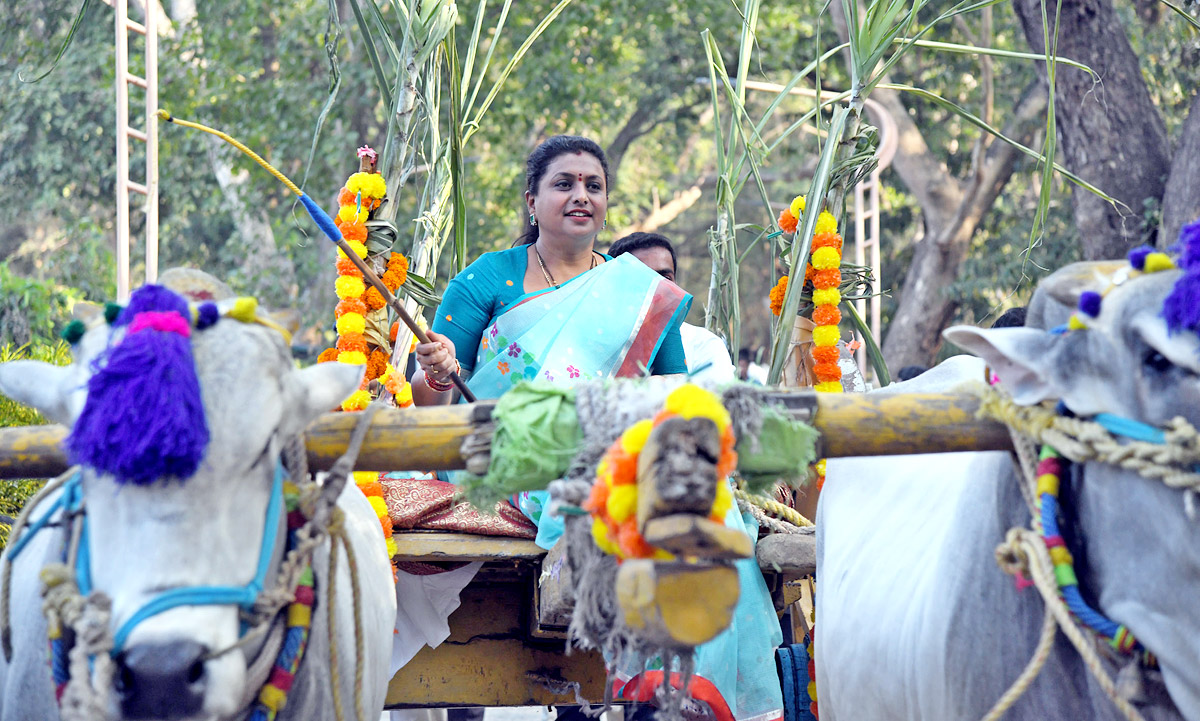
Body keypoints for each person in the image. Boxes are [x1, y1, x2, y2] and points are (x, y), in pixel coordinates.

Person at [607, 232, 736, 384]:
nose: (657, 286)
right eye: (642, 277)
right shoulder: (595, 346)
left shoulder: (704, 344)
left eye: (665, 278)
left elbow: (715, 403)